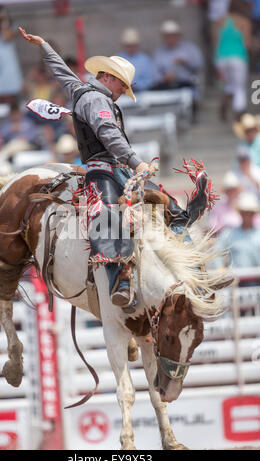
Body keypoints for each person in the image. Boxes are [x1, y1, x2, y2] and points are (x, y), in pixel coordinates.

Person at [18, 26, 228, 310]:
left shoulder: (83, 92)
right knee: (109, 218)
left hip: (112, 169)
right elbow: (108, 133)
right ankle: (123, 282)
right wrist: (136, 161)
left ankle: (190, 273)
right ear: (109, 78)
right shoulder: (96, 100)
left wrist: (44, 46)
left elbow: (62, 73)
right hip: (104, 170)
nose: (121, 93)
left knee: (166, 207)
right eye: (122, 87)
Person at [152, 20, 204, 118]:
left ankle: (190, 115)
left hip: (186, 83)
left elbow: (199, 65)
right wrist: (164, 78)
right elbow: (155, 71)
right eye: (168, 36)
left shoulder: (189, 48)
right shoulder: (159, 51)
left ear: (178, 36)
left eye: (173, 35)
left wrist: (186, 62)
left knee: (189, 94)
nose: (170, 38)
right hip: (167, 85)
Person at [215, 3, 251, 121]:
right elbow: (247, 43)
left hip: (221, 58)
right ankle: (239, 114)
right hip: (238, 57)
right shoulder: (244, 22)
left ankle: (224, 103)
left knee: (230, 85)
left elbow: (215, 41)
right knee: (239, 87)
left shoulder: (221, 21)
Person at [214, 191, 260, 270]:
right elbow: (216, 252)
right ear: (241, 213)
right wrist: (220, 267)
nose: (247, 216)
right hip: (237, 279)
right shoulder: (229, 233)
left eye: (250, 213)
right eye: (245, 213)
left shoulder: (258, 233)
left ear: (254, 214)